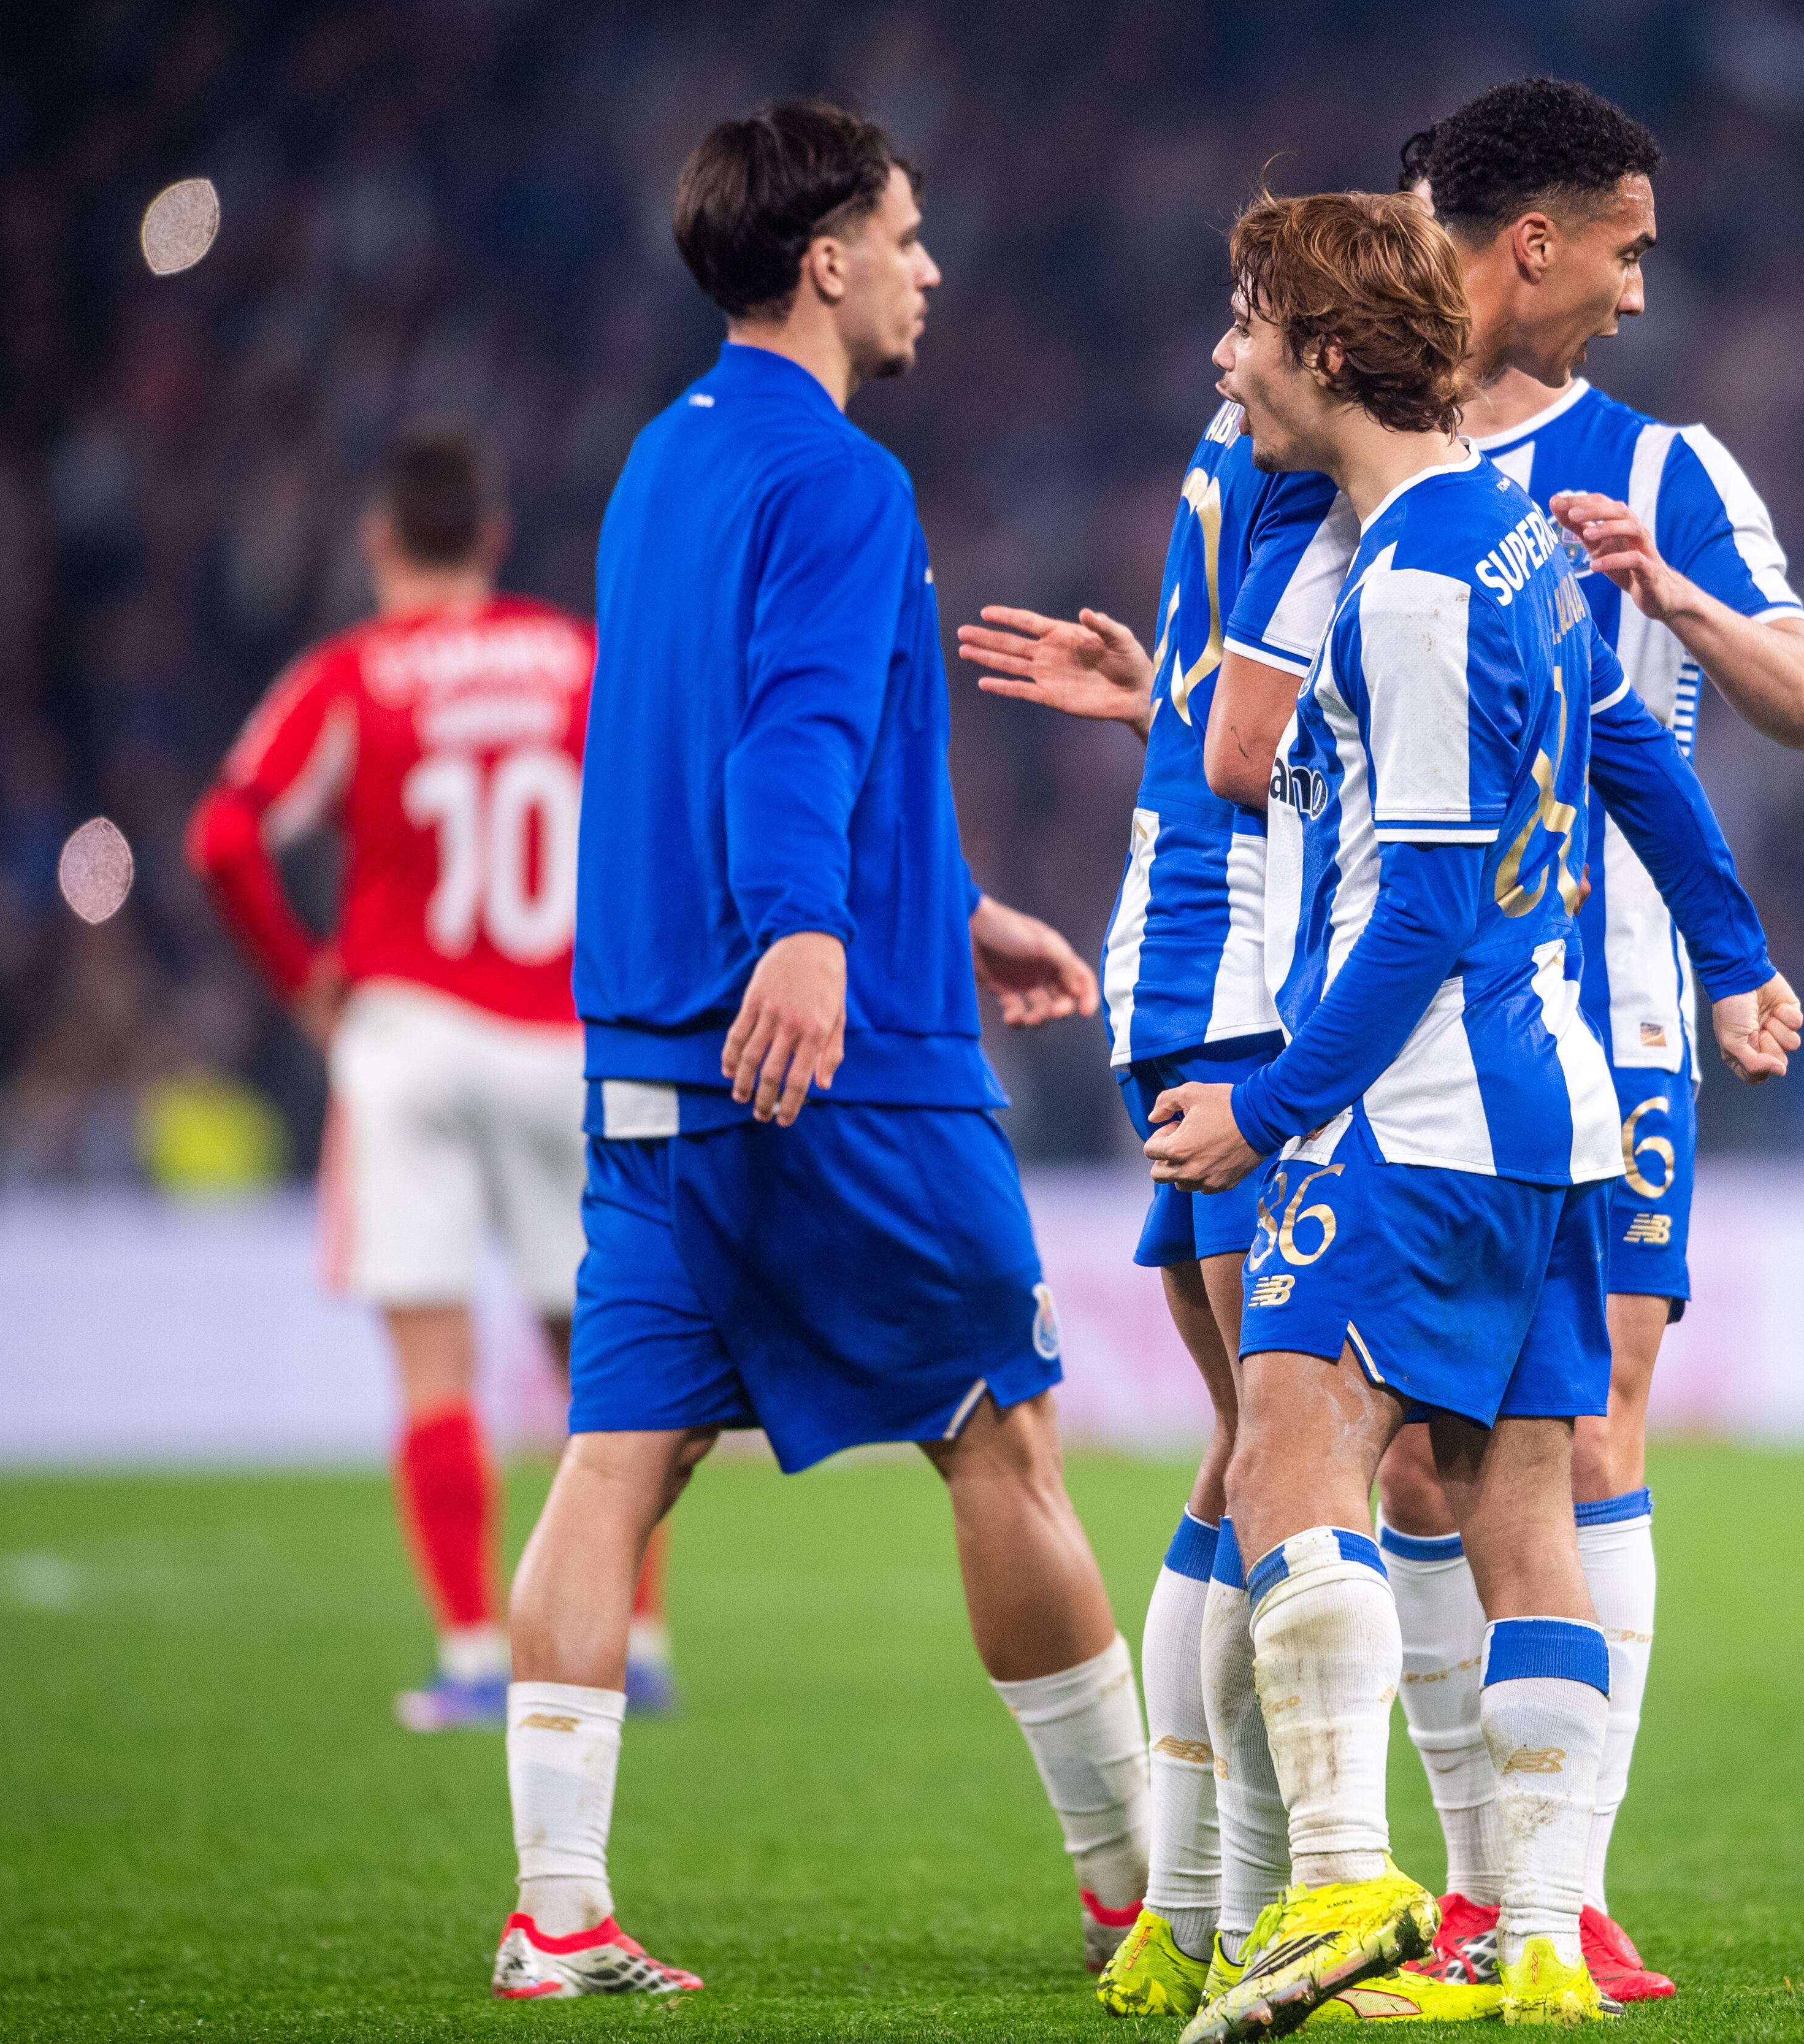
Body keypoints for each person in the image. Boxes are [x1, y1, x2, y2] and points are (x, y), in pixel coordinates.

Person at [484, 101, 1143, 2000]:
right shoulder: (846, 482)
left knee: (614, 1462)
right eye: (910, 234)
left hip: (646, 1054)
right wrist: (810, 937)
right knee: (1001, 1434)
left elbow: (691, 757)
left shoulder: (657, 468)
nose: (932, 266)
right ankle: (1136, 1893)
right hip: (839, 1066)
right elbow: (788, 745)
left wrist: (941, 903)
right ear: (829, 258)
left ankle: (557, 1909)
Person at [1141, 188, 1800, 2039]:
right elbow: (1636, 748)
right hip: (1559, 1110)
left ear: (1331, 354)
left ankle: (1346, 1869)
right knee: (1526, 1520)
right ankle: (1527, 1941)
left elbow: (1423, 898)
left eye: (1252, 329)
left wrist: (1272, 1105)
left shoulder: (1418, 584)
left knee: (1289, 1449)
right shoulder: (1506, 537)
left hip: (1423, 1110)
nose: (1230, 363)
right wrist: (1737, 945)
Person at [1374, 78, 1804, 2004]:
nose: (1646, 293)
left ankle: (1553, 1884)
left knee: (1586, 1429)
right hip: (1402, 1009)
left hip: (1614, 1016)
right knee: (1411, 1459)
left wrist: (1671, 596)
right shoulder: (1363, 440)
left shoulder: (1671, 469)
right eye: (1629, 248)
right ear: (1538, 238)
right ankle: (1476, 1871)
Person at [956, 375, 1353, 2014]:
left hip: (1181, 960)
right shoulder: (1320, 453)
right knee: (1296, 1445)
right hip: (1255, 984)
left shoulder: (1231, 447)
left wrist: (1159, 703)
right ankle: (1282, 1891)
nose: (1223, 363)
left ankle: (1187, 1906)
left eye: (1246, 326)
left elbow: (1218, 733)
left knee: (1253, 1447)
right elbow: (1272, 751)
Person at [185, 429, 675, 1735]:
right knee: (612, 1353)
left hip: (409, 1033)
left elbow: (224, 835)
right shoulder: (578, 659)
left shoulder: (353, 673)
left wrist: (303, 973)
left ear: (380, 543)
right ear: (495, 538)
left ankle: (471, 1648)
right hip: (570, 1032)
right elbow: (671, 812)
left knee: (435, 1365)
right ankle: (636, 1637)